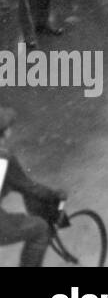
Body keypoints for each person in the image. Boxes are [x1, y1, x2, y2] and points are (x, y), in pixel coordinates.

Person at [0, 107, 65, 267]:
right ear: (6, 131)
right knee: (40, 229)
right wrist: (56, 195)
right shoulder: (4, 158)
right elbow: (30, 188)